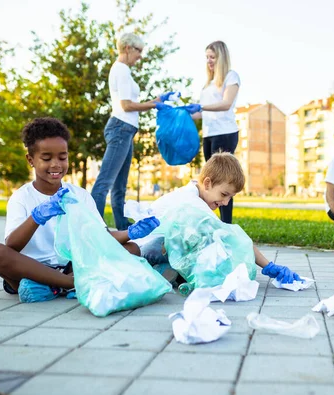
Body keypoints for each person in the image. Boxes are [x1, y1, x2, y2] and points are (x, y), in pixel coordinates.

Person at [0, 118, 160, 303]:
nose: (56, 164)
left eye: (62, 157)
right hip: (32, 268)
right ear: (31, 160)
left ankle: (56, 286)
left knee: (131, 249)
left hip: (73, 266)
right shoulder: (21, 198)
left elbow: (100, 237)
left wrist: (130, 232)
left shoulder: (80, 195)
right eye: (46, 158)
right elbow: (12, 246)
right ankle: (71, 284)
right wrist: (36, 217)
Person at [137, 152, 303, 285]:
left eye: (230, 197)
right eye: (224, 194)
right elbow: (233, 238)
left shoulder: (197, 193)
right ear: (207, 183)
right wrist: (268, 266)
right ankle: (159, 270)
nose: (225, 202)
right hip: (146, 249)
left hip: (154, 248)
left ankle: (167, 270)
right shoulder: (192, 202)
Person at [91, 32, 178, 231]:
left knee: (120, 184)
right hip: (121, 127)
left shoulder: (124, 71)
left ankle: (122, 227)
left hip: (126, 129)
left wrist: (158, 100)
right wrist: (153, 106)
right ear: (128, 48)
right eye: (138, 51)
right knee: (105, 180)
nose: (140, 56)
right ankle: (94, 226)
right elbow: (127, 105)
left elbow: (131, 103)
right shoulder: (121, 69)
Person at [183, 41, 241, 224]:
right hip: (209, 135)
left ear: (221, 58)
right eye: (207, 57)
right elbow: (202, 112)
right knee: (208, 183)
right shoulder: (207, 85)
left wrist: (201, 107)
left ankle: (226, 225)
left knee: (224, 182)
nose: (209, 61)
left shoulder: (231, 77)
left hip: (225, 133)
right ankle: (208, 222)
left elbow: (226, 104)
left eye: (212, 57)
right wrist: (183, 113)